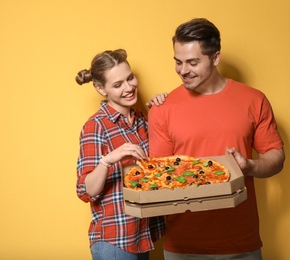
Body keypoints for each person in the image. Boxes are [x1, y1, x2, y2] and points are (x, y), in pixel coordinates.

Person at [148, 18, 285, 259]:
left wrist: (249, 166)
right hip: (182, 245)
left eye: (192, 62)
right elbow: (158, 176)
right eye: (178, 62)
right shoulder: (162, 108)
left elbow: (276, 157)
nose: (183, 70)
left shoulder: (254, 100)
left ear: (216, 58)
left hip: (241, 241)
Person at [75, 49, 166, 260]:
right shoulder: (95, 126)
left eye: (130, 78)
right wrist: (108, 160)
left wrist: (162, 109)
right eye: (117, 85)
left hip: (143, 235)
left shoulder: (143, 120)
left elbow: (162, 165)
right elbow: (85, 190)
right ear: (100, 88)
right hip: (114, 241)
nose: (129, 87)